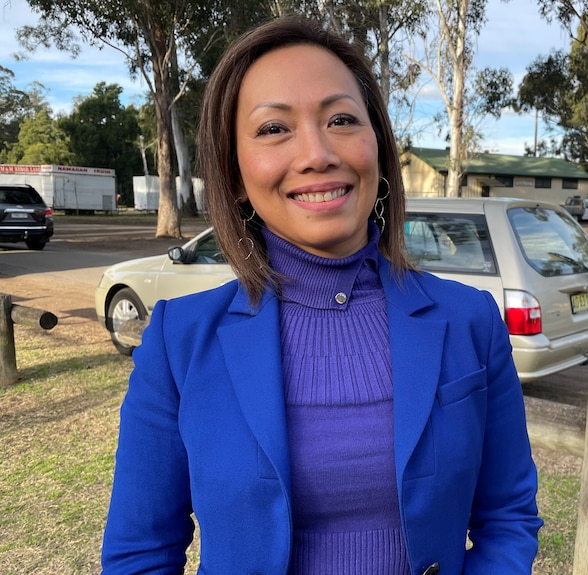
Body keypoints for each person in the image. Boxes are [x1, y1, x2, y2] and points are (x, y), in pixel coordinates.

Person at [101, 15, 542, 575]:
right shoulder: (178, 341)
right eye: (273, 129)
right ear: (234, 174)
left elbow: (507, 516)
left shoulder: (469, 321)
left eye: (340, 119)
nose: (317, 153)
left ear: (377, 148)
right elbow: (140, 554)